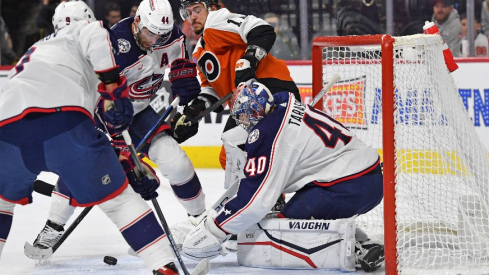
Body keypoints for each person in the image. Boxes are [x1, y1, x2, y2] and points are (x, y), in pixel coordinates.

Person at [0, 2, 179, 274]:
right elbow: (96, 40)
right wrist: (113, 89)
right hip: (62, 122)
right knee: (120, 200)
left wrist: (125, 158)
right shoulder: (86, 31)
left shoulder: (35, 50)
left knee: (2, 201)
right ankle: (163, 265)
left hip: (7, 130)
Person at [30, 0, 207, 257]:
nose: (155, 40)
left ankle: (201, 221)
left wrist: (184, 75)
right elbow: (101, 103)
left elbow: (179, 61)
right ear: (137, 22)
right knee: (80, 166)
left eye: (162, 35)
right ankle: (52, 227)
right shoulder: (113, 46)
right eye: (150, 33)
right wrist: (126, 157)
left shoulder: (170, 35)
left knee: (175, 160)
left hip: (140, 111)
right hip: (100, 116)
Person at [181, 81, 385, 272]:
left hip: (351, 185)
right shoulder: (283, 104)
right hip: (362, 177)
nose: (242, 122)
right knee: (298, 210)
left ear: (254, 112)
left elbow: (256, 200)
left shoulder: (268, 134)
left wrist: (216, 229)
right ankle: (363, 242)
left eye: (243, 116)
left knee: (288, 226)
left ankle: (355, 252)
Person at [173, 0, 301, 192]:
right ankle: (268, 201)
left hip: (270, 88)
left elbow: (262, 29)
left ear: (212, 9)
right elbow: (213, 91)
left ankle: (257, 202)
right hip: (248, 100)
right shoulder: (199, 50)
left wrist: (249, 59)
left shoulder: (216, 21)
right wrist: (192, 112)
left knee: (237, 148)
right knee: (232, 156)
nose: (192, 17)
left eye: (197, 10)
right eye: (188, 12)